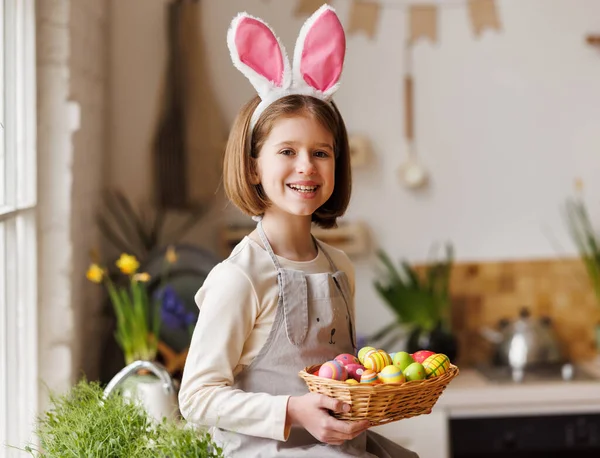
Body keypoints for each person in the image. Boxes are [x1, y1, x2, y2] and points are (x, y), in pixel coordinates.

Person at [179, 4, 419, 457]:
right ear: (253, 167)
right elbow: (196, 396)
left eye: (321, 153)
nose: (306, 167)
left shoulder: (339, 266)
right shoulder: (240, 278)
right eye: (286, 151)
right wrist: (291, 411)